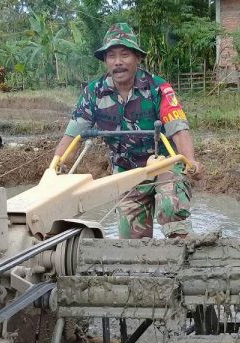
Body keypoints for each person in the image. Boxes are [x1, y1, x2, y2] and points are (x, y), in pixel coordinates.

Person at [54, 23, 203, 239]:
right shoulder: (93, 94)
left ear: (137, 58)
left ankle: (184, 260)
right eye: (111, 56)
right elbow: (73, 135)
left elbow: (178, 129)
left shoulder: (158, 88)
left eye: (124, 55)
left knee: (172, 210)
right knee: (131, 246)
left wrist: (191, 162)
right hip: (126, 173)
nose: (118, 62)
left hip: (163, 165)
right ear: (105, 61)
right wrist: (57, 167)